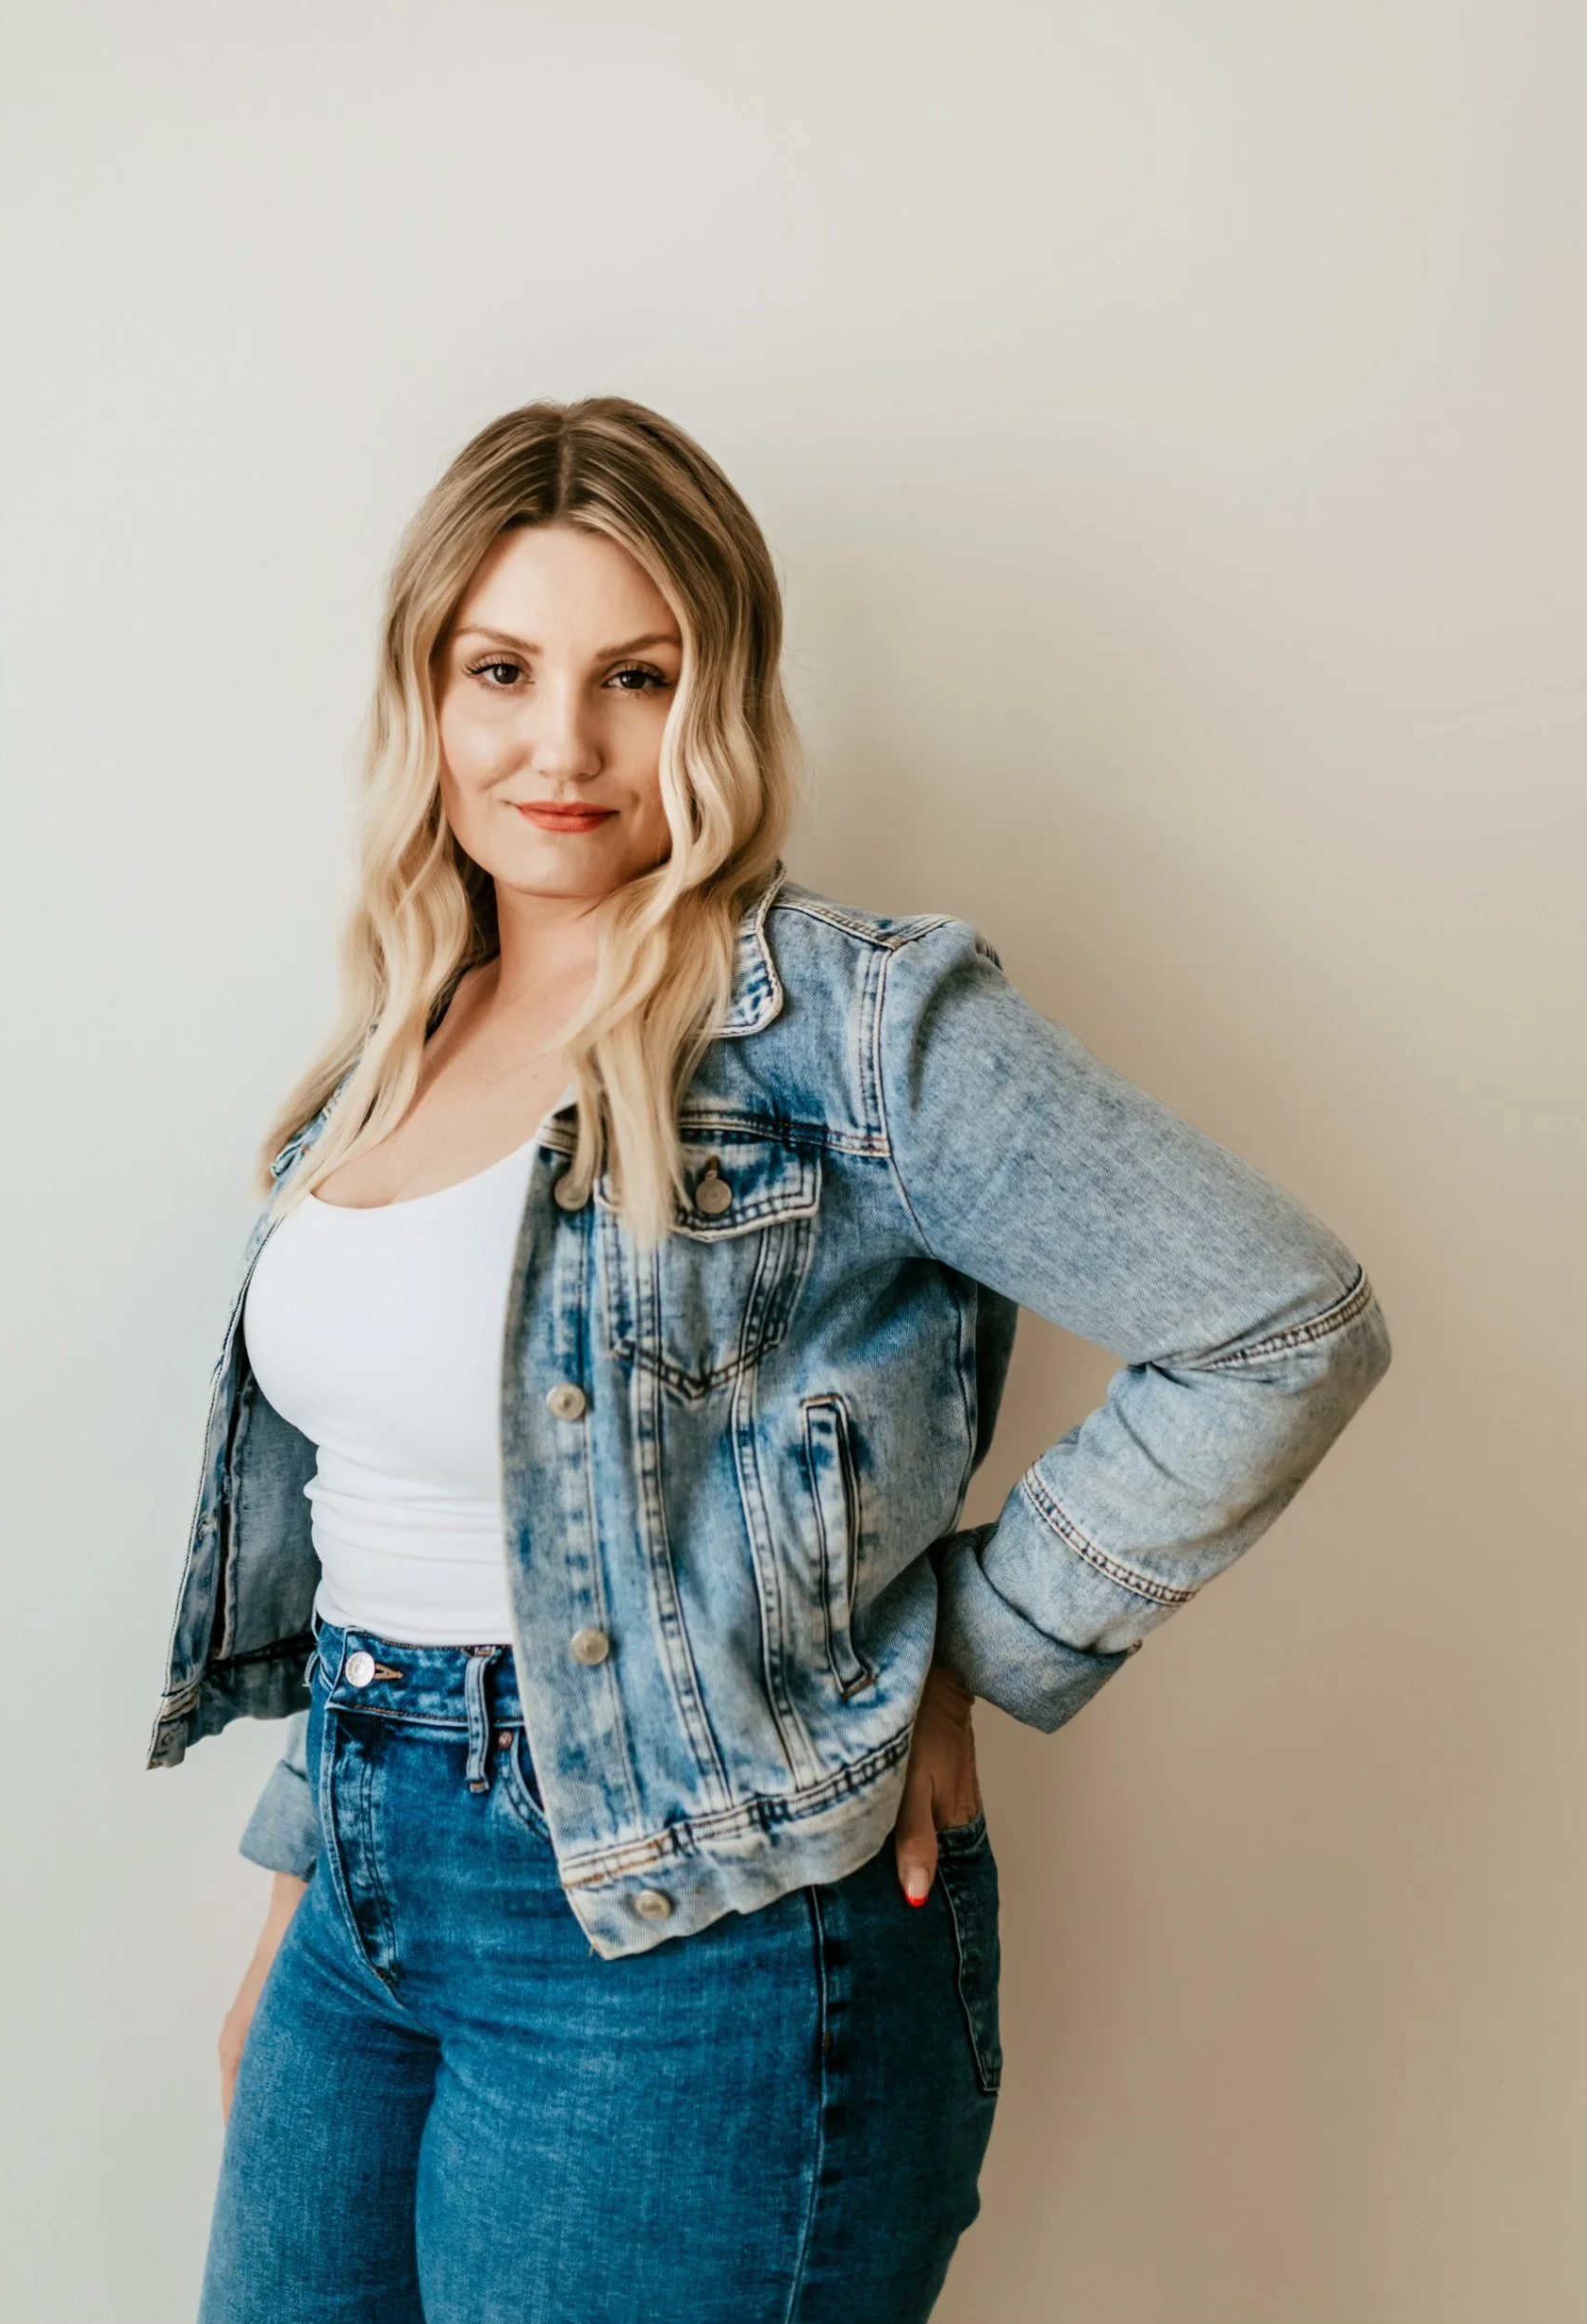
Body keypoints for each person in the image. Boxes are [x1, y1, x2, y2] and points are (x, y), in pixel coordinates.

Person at [150, 396, 1391, 2324]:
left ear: (717, 702)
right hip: (367, 1910)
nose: (561, 746)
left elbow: (1278, 1320)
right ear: (426, 691)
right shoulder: (397, 1039)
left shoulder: (848, 1022)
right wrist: (301, 1917)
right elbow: (389, 1526)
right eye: (502, 670)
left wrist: (973, 1648)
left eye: (634, 677)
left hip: (698, 1941)